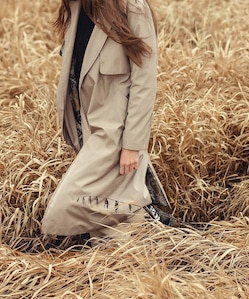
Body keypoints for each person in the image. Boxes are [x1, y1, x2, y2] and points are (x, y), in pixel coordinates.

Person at [41, 0, 173, 240]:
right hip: (86, 128)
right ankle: (146, 241)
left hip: (115, 134)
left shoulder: (132, 8)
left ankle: (147, 213)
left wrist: (133, 145)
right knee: (106, 235)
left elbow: (144, 82)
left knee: (62, 208)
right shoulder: (75, 7)